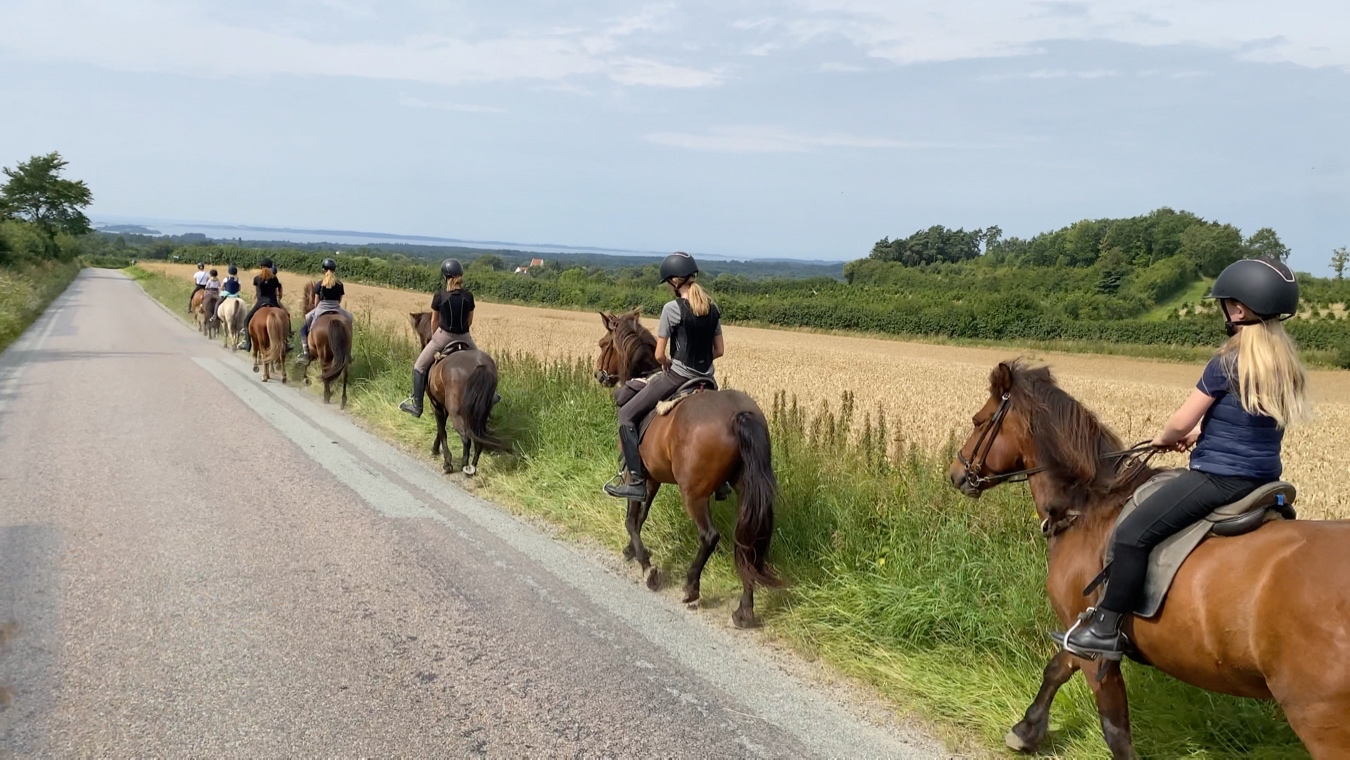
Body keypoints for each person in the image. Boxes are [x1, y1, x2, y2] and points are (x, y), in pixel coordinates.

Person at [1057, 257, 1312, 658]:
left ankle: (1105, 628)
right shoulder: (1284, 367)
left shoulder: (1226, 363)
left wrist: (1168, 436)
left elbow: (1180, 420)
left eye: (1227, 303)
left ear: (1240, 309)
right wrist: (1201, 434)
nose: (1224, 309)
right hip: (1263, 481)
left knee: (1131, 533)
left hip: (1219, 480)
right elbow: (1247, 421)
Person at [603, 252, 723, 500]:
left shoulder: (672, 309)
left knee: (625, 414)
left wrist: (669, 362)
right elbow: (719, 351)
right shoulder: (713, 307)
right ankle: (722, 482)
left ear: (674, 281)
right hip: (708, 381)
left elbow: (658, 355)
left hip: (678, 377)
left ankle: (635, 480)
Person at [399, 259, 476, 417]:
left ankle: (417, 406)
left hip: (444, 337)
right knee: (483, 363)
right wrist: (463, 332)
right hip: (465, 337)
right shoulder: (468, 296)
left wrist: (435, 337)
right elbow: (470, 320)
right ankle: (492, 394)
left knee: (419, 367)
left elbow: (434, 320)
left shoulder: (440, 296)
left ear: (445, 277)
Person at [299, 258, 354, 362]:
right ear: (334, 270)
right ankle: (348, 353)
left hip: (322, 307)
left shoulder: (319, 284)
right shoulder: (339, 284)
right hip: (336, 307)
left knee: (304, 328)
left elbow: (316, 302)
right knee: (349, 320)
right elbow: (340, 299)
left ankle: (306, 353)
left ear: (323, 270)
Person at [238, 259, 286, 351]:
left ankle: (247, 343)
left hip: (260, 302)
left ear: (260, 267)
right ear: (270, 267)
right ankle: (287, 342)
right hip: (273, 302)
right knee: (286, 317)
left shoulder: (257, 278)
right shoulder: (274, 278)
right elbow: (277, 290)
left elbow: (258, 293)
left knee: (246, 320)